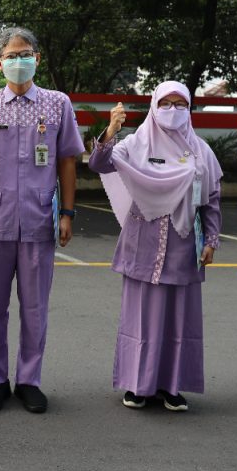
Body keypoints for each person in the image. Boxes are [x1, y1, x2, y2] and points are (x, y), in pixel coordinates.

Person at [0, 27, 85, 414]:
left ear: (37, 59)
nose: (18, 61)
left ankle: (29, 379)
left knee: (34, 307)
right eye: (10, 57)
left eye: (24, 54)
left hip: (38, 219)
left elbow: (67, 160)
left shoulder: (57, 104)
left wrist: (67, 213)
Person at [89, 82, 223, 411]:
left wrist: (212, 239)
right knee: (141, 320)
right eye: (166, 103)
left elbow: (212, 200)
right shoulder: (136, 143)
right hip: (142, 244)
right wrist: (111, 130)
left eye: (181, 104)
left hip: (184, 245)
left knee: (179, 320)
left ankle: (172, 386)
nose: (173, 110)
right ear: (153, 105)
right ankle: (138, 385)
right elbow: (99, 165)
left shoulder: (201, 151)